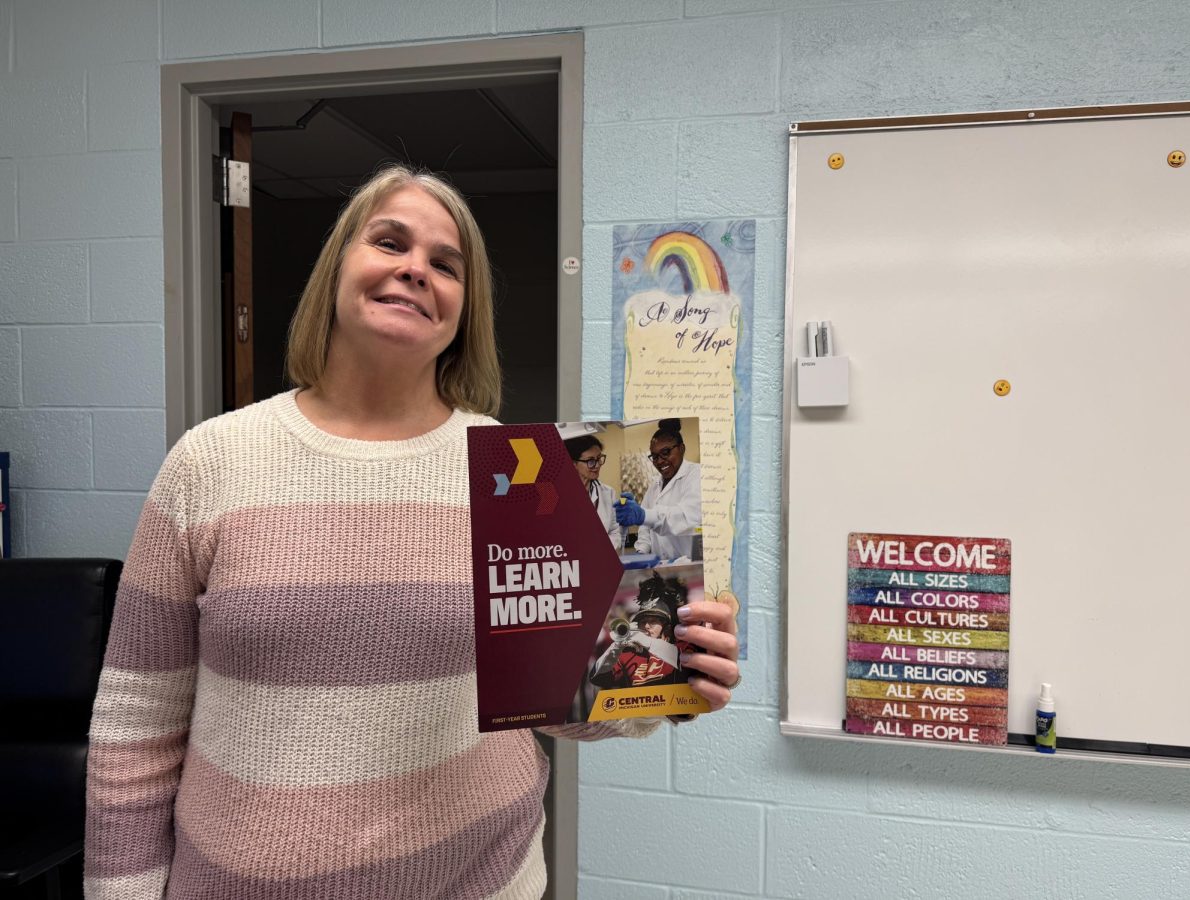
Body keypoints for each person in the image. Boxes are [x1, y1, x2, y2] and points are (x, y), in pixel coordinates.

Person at [83, 164, 740, 900]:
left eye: (445, 263)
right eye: (389, 241)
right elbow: (136, 725)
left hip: (481, 881)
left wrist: (668, 677)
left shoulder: (523, 473)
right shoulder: (208, 462)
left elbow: (561, 696)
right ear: (338, 268)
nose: (415, 270)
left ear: (466, 307)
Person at [614, 418, 703, 561]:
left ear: (682, 448)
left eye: (666, 452)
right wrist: (641, 552)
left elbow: (686, 517)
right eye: (654, 456)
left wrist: (643, 515)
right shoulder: (655, 485)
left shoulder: (697, 474)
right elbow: (645, 529)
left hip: (690, 565)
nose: (660, 461)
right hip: (662, 567)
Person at [589, 572, 695, 689]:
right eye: (643, 622)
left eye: (653, 621)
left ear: (667, 628)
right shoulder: (628, 653)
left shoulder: (683, 646)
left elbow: (686, 662)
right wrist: (616, 648)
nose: (647, 626)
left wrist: (644, 640)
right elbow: (596, 678)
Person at [563, 433, 622, 552]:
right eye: (590, 461)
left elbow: (615, 530)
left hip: (600, 560)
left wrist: (601, 550)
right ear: (573, 464)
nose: (597, 465)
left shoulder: (608, 493)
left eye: (599, 459)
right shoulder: (557, 496)